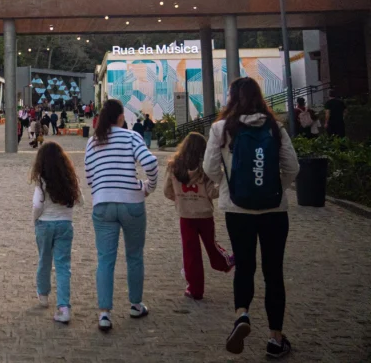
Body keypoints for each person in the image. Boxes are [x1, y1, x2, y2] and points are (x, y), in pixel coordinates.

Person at [203, 77, 299, 358]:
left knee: (244, 266)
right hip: (274, 211)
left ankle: (242, 315)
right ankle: (275, 338)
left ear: (232, 98)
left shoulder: (221, 128)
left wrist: (228, 185)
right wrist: (276, 189)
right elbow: (292, 167)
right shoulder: (275, 127)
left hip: (238, 210)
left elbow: (209, 167)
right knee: (273, 272)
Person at [85, 99, 159, 332]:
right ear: (120, 117)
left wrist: (102, 189)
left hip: (103, 204)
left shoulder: (93, 142)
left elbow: (89, 176)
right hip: (132, 202)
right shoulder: (131, 137)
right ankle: (135, 304)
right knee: (134, 256)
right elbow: (150, 163)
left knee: (105, 259)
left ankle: (104, 314)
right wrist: (148, 186)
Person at [164, 132, 233, 300]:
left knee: (191, 252)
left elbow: (167, 191)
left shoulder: (174, 166)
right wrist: (224, 185)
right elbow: (212, 192)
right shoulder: (204, 169)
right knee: (211, 245)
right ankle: (225, 262)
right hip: (204, 214)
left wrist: (180, 199)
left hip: (185, 214)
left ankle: (195, 289)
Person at [30, 141, 80, 324]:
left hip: (44, 224)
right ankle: (63, 306)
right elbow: (80, 200)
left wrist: (34, 219)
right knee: (63, 265)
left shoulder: (41, 181)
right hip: (65, 224)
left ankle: (43, 295)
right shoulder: (69, 179)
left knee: (44, 259)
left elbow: (37, 205)